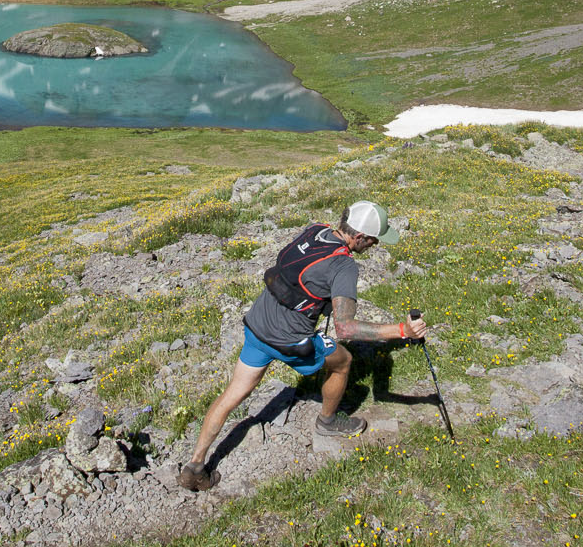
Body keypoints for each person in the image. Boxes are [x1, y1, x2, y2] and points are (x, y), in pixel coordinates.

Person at [179, 200, 428, 491]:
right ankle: (328, 422)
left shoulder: (316, 231)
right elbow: (345, 326)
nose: (374, 245)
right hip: (290, 339)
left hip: (259, 323)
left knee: (234, 392)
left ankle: (195, 465)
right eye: (373, 239)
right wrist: (402, 331)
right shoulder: (344, 266)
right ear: (359, 237)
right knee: (344, 361)